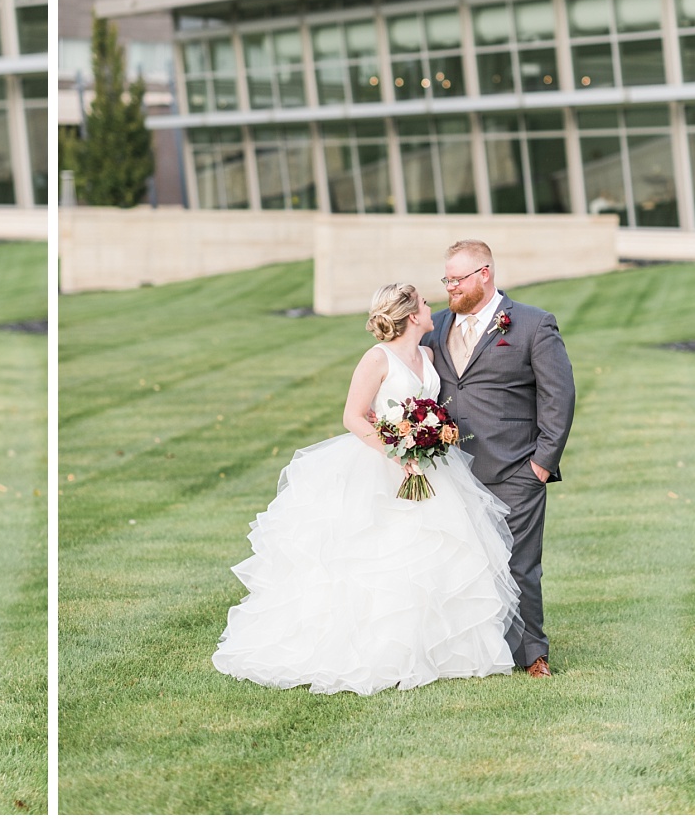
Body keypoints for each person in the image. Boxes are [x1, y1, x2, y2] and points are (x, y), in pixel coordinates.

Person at [212, 283, 521, 696]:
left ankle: (435, 650)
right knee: (378, 558)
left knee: (433, 555)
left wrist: (433, 436)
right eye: (427, 304)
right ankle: (374, 651)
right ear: (412, 316)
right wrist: (398, 452)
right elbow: (353, 417)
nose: (433, 310)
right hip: (382, 467)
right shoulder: (376, 359)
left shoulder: (428, 356)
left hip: (432, 468)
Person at [420, 240, 576, 678]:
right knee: (456, 563)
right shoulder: (433, 326)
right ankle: (464, 651)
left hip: (514, 469)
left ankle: (532, 656)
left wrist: (541, 464)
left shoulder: (532, 324)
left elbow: (558, 396)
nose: (450, 286)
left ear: (484, 274)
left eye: (457, 279)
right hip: (451, 471)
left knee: (518, 564)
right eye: (446, 279)